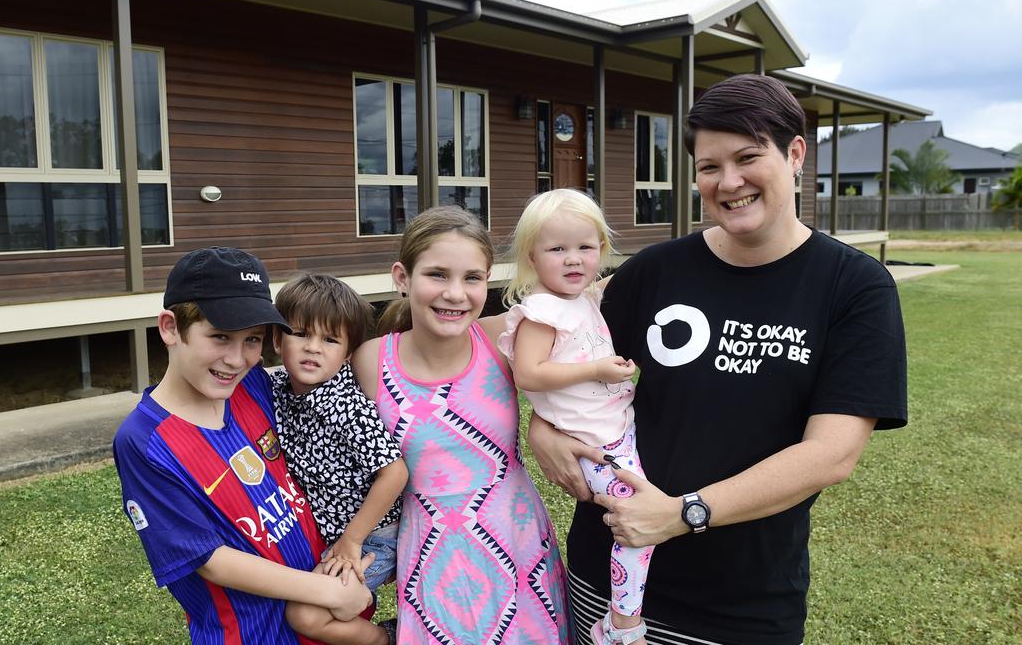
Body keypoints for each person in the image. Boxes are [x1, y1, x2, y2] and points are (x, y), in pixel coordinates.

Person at [528, 74, 908, 645]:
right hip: (604, 577)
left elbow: (831, 454)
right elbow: (562, 355)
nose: (729, 182)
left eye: (748, 157)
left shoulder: (853, 286)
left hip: (739, 603)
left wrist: (683, 513)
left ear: (796, 153)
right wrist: (542, 429)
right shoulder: (655, 271)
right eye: (709, 166)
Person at [112, 247, 373, 645]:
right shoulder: (145, 441)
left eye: (252, 339)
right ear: (169, 328)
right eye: (219, 336)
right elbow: (209, 560)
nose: (237, 359)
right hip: (254, 633)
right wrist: (329, 591)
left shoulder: (253, 387)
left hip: (327, 620)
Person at [351, 206, 569, 645]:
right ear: (402, 277)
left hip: (518, 545)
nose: (455, 293)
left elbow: (600, 294)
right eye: (437, 275)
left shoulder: (502, 340)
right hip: (432, 558)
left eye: (472, 278)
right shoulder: (372, 360)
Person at [495, 189, 646, 645]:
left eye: (586, 246)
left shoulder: (580, 298)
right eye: (557, 249)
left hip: (616, 431)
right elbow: (528, 374)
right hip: (591, 446)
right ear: (532, 257)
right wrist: (597, 369)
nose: (573, 259)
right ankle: (621, 625)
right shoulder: (541, 312)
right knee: (638, 521)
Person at [272, 273, 409, 645]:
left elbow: (394, 474)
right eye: (300, 334)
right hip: (331, 534)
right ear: (276, 339)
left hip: (374, 537)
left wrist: (352, 539)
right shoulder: (279, 390)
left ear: (348, 352)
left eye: (330, 340)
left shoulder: (346, 406)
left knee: (305, 613)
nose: (313, 348)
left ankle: (387, 638)